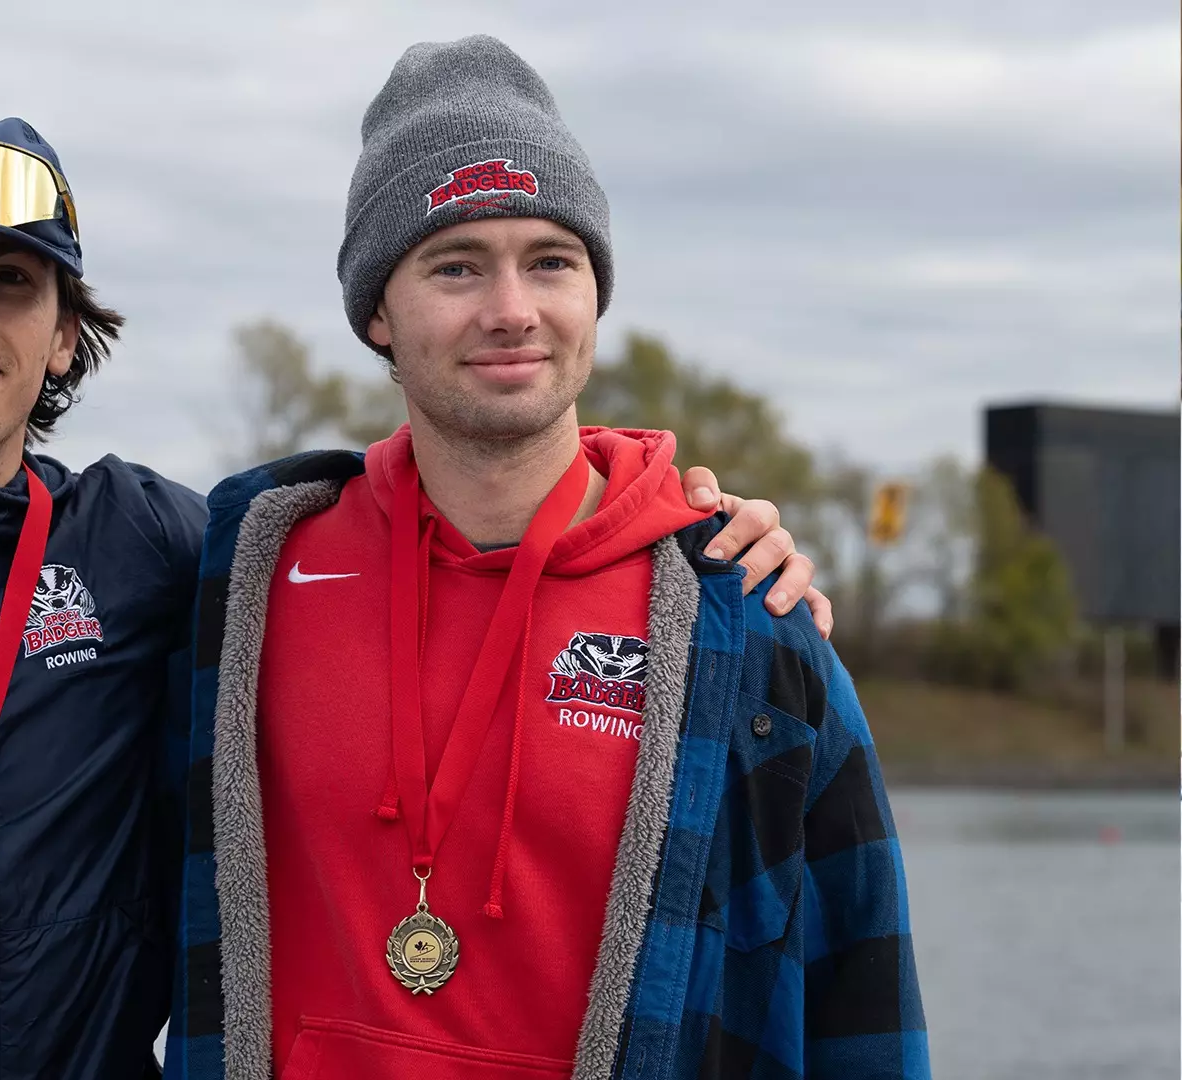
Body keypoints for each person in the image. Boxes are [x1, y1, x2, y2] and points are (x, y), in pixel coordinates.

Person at [0, 112, 828, 1078]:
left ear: (65, 334)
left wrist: (684, 526)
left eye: (8, 282)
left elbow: (451, 533)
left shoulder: (170, 557)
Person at [167, 36, 926, 1080]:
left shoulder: (741, 612)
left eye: (551, 262)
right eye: (457, 265)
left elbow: (861, 1000)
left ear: (595, 297)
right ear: (378, 313)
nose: (512, 310)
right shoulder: (248, 574)